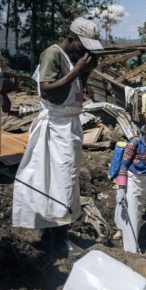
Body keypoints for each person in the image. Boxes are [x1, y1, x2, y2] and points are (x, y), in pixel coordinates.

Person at [11, 17, 102, 258]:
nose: (86, 52)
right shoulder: (52, 54)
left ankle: (54, 235)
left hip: (69, 126)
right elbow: (47, 91)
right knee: (59, 183)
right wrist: (79, 70)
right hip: (55, 127)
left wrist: (85, 73)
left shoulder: (73, 58)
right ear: (71, 39)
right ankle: (59, 242)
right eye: (83, 46)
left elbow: (76, 93)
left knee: (65, 182)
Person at [114, 120, 146, 253]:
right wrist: (121, 189)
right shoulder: (134, 143)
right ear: (144, 130)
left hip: (143, 180)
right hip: (131, 178)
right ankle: (131, 250)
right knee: (132, 212)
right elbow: (124, 165)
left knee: (138, 211)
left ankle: (129, 240)